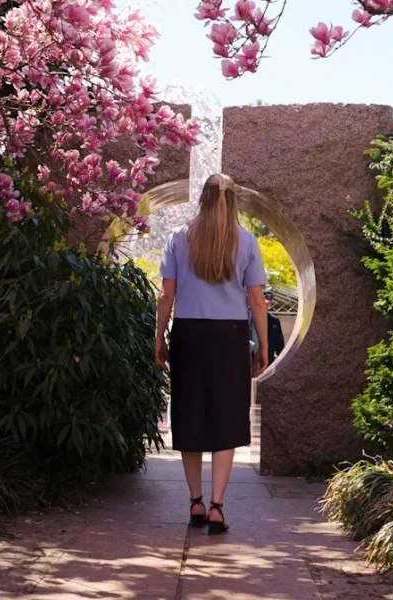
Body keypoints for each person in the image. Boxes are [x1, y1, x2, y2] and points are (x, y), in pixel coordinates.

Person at [155, 172, 268, 535]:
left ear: (202, 199)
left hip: (188, 334)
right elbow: (257, 301)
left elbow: (165, 296)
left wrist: (159, 337)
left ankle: (196, 503)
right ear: (233, 201)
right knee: (226, 418)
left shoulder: (178, 238)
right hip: (230, 337)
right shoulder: (247, 241)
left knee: (190, 416)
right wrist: (264, 345)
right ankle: (218, 506)